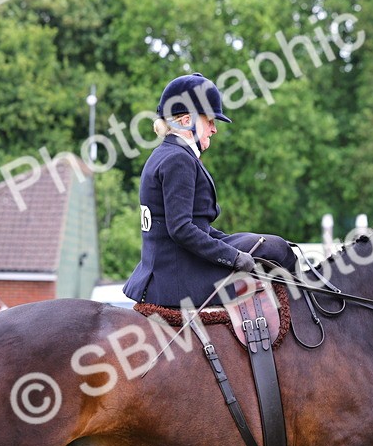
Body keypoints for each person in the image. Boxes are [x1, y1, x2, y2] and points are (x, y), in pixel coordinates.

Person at [124, 73, 298, 307]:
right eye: (210, 121)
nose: (214, 129)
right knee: (277, 250)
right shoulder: (178, 159)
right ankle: (303, 313)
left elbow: (197, 225)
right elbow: (181, 229)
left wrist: (235, 246)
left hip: (175, 264)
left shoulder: (166, 154)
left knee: (271, 245)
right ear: (187, 121)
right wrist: (232, 257)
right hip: (179, 274)